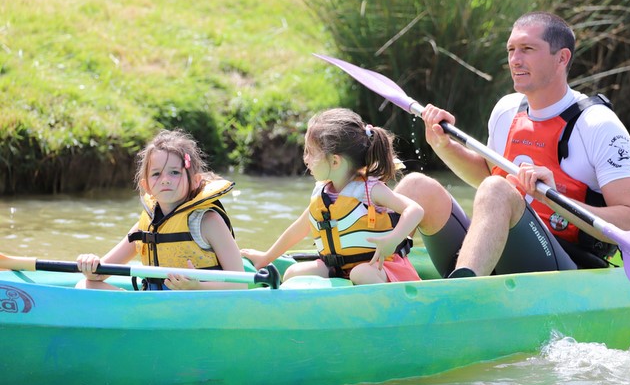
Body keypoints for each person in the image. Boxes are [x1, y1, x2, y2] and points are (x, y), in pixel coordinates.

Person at [394, 11, 630, 278]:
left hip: (565, 268)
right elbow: (487, 174)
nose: (515, 60)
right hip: (496, 254)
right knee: (415, 185)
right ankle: (369, 270)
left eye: (527, 49)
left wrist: (553, 200)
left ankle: (463, 296)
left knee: (495, 189)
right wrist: (443, 146)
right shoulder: (506, 110)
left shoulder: (599, 125)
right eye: (511, 50)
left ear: (562, 58)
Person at [240, 108, 424, 285]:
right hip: (340, 269)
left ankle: (392, 309)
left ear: (335, 161)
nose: (305, 159)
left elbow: (415, 210)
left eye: (310, 153)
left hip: (382, 268)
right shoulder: (322, 194)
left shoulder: (370, 189)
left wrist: (392, 240)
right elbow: (298, 230)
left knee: (361, 273)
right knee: (293, 273)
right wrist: (266, 257)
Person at [76, 129, 246, 290]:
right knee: (85, 285)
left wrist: (197, 287)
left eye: (174, 173)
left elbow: (240, 284)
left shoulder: (208, 222)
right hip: (155, 305)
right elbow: (98, 275)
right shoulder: (145, 225)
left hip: (197, 303)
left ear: (195, 181)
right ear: (146, 186)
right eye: (156, 174)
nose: (165, 180)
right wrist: (90, 263)